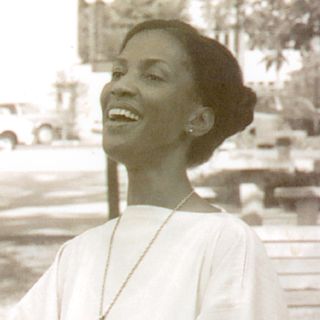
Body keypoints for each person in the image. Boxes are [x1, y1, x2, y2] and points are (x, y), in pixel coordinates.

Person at [12, 19, 288, 320]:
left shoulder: (224, 244)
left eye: (153, 76)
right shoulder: (78, 254)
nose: (120, 86)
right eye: (118, 72)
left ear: (198, 120)